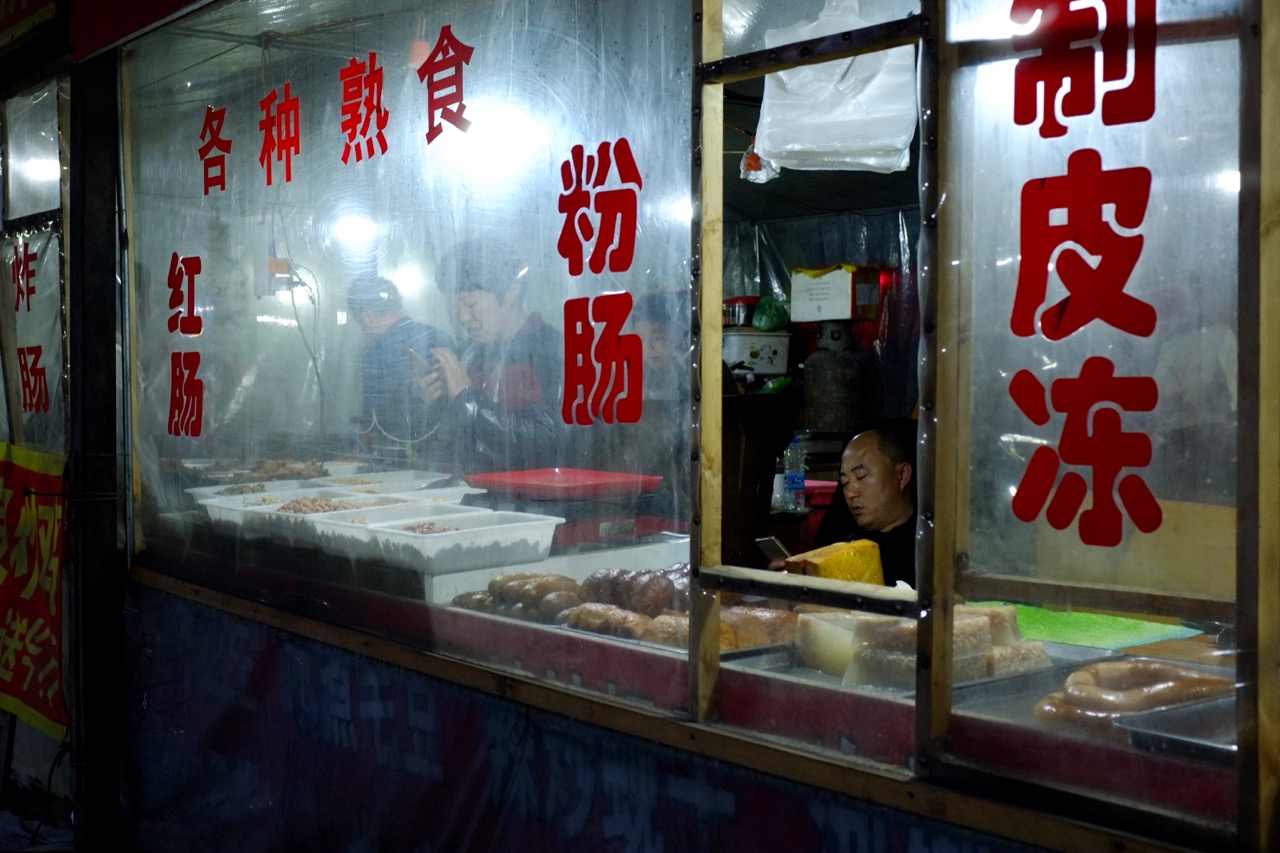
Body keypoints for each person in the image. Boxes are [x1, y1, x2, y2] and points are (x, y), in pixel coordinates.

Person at [416, 240, 567, 473]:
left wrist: (467, 399)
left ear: (511, 291)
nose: (463, 317)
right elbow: (443, 447)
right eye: (454, 307)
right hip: (468, 491)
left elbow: (548, 444)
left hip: (530, 494)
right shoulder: (468, 353)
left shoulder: (549, 351)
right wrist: (432, 403)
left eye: (470, 304)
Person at [772, 421, 917, 588]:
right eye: (845, 482)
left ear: (902, 475)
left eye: (861, 476)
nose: (850, 493)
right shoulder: (842, 546)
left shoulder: (927, 552)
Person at [348, 275, 454, 459]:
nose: (364, 330)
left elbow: (375, 423)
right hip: (446, 454)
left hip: (397, 457)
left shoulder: (376, 354)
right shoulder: (440, 337)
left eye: (360, 323)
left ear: (367, 315)